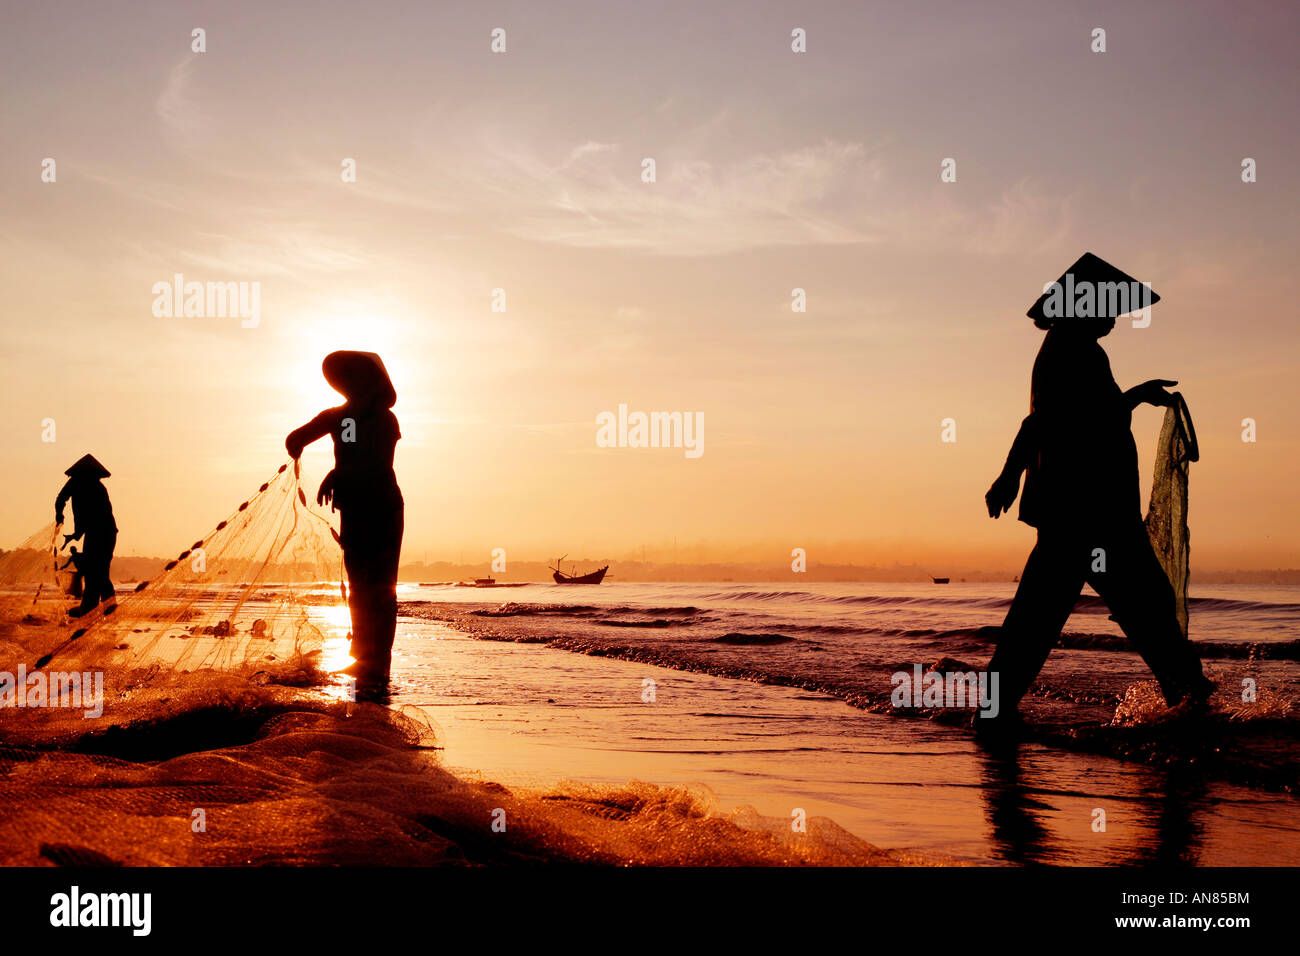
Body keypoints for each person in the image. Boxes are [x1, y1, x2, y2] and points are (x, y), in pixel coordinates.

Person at [982, 253, 1213, 732]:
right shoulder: (1070, 349)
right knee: (1147, 609)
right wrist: (1007, 476)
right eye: (1108, 308)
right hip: (1092, 514)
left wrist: (1133, 395)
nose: (1114, 319)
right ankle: (1192, 708)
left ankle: (994, 712)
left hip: (1077, 512)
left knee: (1039, 619)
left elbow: (1086, 415)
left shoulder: (1072, 347)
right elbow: (1042, 422)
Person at [286, 351, 403, 688]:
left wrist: (338, 473)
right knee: (359, 586)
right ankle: (363, 658)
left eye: (357, 378)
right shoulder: (341, 418)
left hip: (382, 508)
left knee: (381, 589)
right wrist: (335, 470)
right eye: (345, 379)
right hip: (354, 509)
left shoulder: (382, 419)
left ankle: (377, 663)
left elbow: (377, 462)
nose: (351, 384)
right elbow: (297, 439)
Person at [54, 454, 117, 618]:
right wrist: (74, 531)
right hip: (102, 532)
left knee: (98, 571)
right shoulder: (95, 486)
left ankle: (95, 608)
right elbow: (86, 513)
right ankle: (97, 608)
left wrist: (60, 515)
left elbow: (62, 500)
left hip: (101, 532)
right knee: (97, 571)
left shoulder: (79, 483)